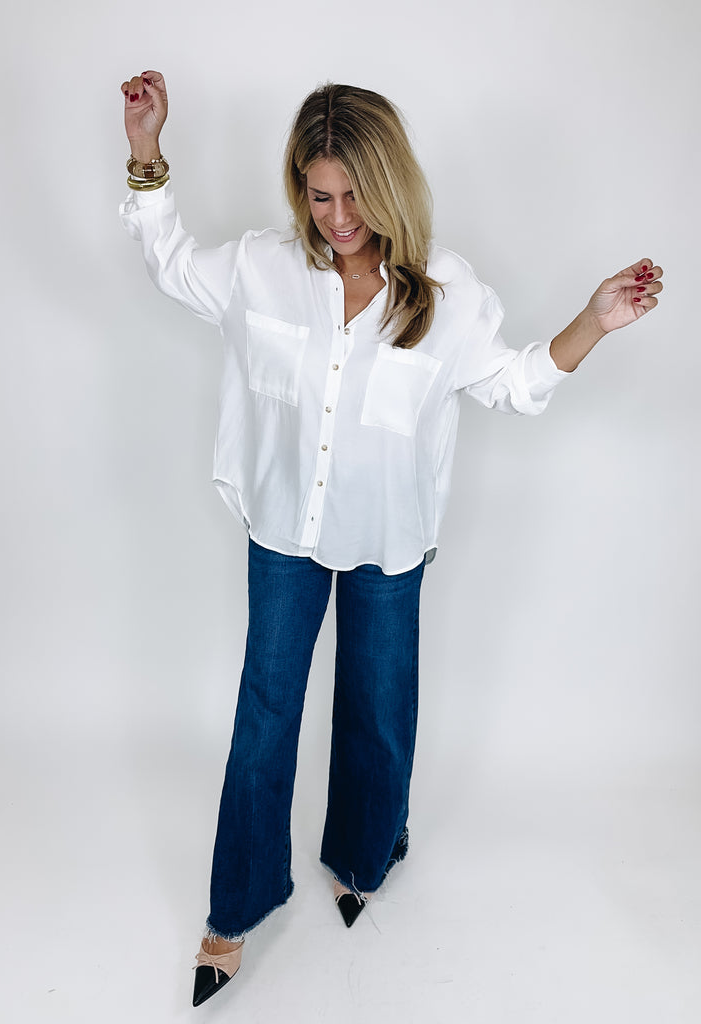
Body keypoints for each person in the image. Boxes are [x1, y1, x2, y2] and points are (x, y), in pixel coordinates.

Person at [119, 70, 662, 1007]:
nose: (339, 218)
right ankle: (234, 908)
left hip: (389, 540)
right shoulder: (259, 267)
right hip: (285, 531)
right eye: (319, 195)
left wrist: (594, 322)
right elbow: (169, 263)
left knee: (377, 706)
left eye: (355, 195)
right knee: (265, 714)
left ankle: (367, 853)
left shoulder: (447, 291)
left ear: (390, 182)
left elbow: (513, 384)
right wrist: (145, 152)